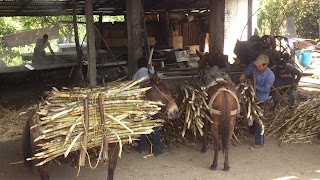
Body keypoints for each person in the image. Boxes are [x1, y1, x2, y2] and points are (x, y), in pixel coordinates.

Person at [132, 58, 168, 157]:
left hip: (141, 104)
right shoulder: (151, 72)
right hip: (151, 103)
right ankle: (158, 150)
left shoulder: (134, 76)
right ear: (147, 66)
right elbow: (158, 81)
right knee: (155, 125)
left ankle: (142, 148)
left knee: (143, 125)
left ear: (137, 66)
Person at [239, 54, 275, 149]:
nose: (257, 67)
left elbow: (266, 89)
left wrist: (253, 85)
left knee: (259, 119)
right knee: (250, 115)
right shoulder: (253, 66)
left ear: (265, 65)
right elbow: (247, 71)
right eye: (257, 65)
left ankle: (260, 142)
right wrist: (243, 76)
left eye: (259, 66)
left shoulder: (270, 75)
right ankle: (251, 132)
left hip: (261, 99)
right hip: (250, 96)